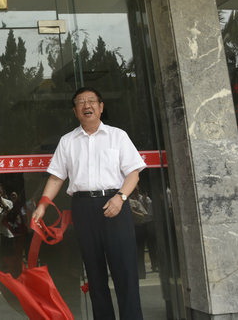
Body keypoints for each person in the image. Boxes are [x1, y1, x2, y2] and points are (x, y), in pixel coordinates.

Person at [32, 87, 146, 320]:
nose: (87, 105)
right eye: (81, 102)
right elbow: (56, 178)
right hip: (83, 208)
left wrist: (120, 197)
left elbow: (133, 173)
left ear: (101, 107)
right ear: (75, 111)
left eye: (91, 101)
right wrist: (42, 204)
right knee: (94, 274)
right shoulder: (67, 141)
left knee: (125, 271)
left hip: (115, 204)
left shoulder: (118, 136)